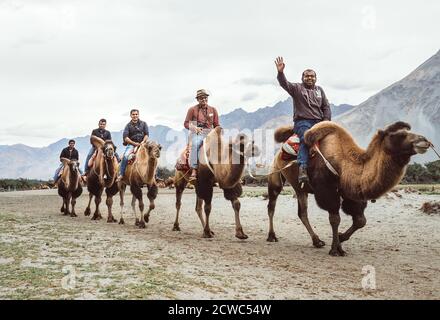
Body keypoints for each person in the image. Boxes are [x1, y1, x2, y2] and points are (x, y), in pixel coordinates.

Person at [275, 56, 331, 184]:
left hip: (319, 122)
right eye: (307, 76)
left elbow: (326, 107)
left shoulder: (319, 90)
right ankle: (303, 168)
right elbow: (284, 84)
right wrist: (280, 73)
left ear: (315, 78)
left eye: (312, 76)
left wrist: (326, 122)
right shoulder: (296, 88)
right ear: (302, 78)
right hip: (302, 122)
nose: (310, 78)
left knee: (334, 139)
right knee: (306, 139)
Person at [183, 89, 220, 182]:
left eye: (205, 97)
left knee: (223, 145)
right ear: (198, 99)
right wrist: (194, 128)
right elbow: (186, 123)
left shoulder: (213, 110)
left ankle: (224, 169)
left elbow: (216, 125)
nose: (204, 99)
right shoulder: (192, 110)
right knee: (196, 144)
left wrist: (218, 129)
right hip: (198, 133)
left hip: (210, 133)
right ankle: (194, 170)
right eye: (201, 98)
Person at [117, 109, 149, 181]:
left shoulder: (144, 124)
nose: (135, 116)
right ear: (131, 115)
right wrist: (134, 143)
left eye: (136, 114)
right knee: (125, 156)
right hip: (132, 144)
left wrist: (143, 142)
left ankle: (154, 175)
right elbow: (126, 138)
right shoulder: (128, 126)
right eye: (133, 114)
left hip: (143, 143)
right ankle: (121, 174)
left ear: (138, 115)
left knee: (152, 155)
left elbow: (147, 134)